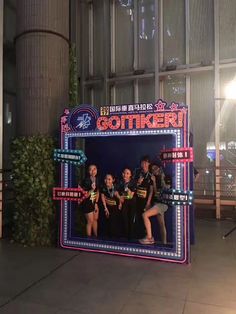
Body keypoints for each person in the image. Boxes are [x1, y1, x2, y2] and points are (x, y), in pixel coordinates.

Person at [139, 163, 170, 245]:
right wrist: (155, 182)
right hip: (157, 203)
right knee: (161, 224)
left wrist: (161, 179)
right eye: (152, 169)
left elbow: (166, 190)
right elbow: (156, 193)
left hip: (163, 204)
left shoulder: (166, 177)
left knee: (145, 215)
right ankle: (164, 243)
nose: (154, 170)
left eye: (155, 168)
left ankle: (149, 238)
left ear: (159, 168)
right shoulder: (154, 179)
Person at [134, 155, 153, 238]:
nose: (144, 164)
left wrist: (148, 203)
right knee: (137, 217)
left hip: (146, 201)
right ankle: (138, 235)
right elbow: (132, 185)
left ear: (149, 163)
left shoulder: (151, 175)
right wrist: (138, 182)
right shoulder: (137, 172)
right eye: (143, 163)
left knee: (145, 217)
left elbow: (152, 190)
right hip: (137, 199)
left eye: (146, 163)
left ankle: (146, 236)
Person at [80, 164, 100, 237]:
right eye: (91, 169)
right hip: (87, 203)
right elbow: (84, 195)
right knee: (90, 221)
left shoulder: (97, 179)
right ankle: (89, 240)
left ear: (96, 170)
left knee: (95, 219)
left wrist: (96, 203)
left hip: (94, 202)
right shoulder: (86, 181)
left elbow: (98, 191)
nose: (93, 171)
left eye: (94, 169)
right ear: (88, 171)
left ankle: (96, 237)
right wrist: (91, 189)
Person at [101, 174, 123, 238]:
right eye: (106, 179)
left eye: (109, 179)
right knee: (107, 223)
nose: (107, 181)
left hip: (115, 208)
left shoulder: (117, 187)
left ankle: (115, 239)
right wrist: (105, 208)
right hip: (107, 207)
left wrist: (120, 201)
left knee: (114, 223)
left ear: (113, 180)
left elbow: (121, 199)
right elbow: (103, 197)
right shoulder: (103, 187)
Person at [118, 168, 136, 240]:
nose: (125, 174)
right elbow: (120, 194)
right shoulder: (121, 182)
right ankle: (126, 235)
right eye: (124, 173)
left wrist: (127, 189)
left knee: (131, 219)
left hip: (132, 202)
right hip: (124, 202)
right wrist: (120, 203)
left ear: (130, 175)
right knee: (124, 218)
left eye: (127, 173)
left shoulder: (133, 182)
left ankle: (131, 237)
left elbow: (131, 195)